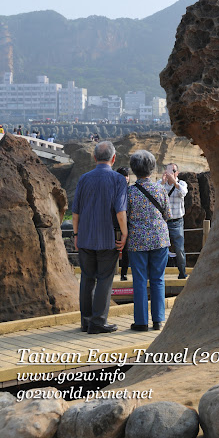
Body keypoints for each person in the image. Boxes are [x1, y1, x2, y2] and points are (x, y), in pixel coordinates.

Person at [72, 141, 128, 334]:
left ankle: (86, 321)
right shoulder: (118, 180)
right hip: (107, 238)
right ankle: (98, 322)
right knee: (105, 279)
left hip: (86, 236)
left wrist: (76, 235)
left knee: (86, 279)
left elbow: (76, 212)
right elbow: (121, 212)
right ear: (113, 159)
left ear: (95, 158)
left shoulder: (83, 179)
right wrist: (125, 232)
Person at [127, 150, 171, 331]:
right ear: (152, 169)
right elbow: (168, 214)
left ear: (133, 169)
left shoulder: (129, 192)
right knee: (158, 279)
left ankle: (141, 322)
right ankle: (158, 320)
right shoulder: (160, 189)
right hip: (160, 238)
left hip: (137, 240)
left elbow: (125, 216)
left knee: (139, 280)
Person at [161, 163, 188, 279]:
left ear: (177, 172)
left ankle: (182, 272)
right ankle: (159, 274)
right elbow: (153, 194)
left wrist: (175, 183)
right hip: (163, 221)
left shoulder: (181, 183)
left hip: (177, 221)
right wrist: (162, 182)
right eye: (168, 171)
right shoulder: (160, 184)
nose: (171, 173)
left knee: (179, 249)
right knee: (160, 249)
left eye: (173, 171)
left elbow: (183, 193)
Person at [116, 166, 131, 280]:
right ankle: (114, 272)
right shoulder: (114, 190)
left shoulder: (131, 190)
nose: (125, 178)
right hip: (116, 223)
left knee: (126, 250)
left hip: (128, 223)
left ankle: (123, 273)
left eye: (127, 175)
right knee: (113, 249)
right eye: (123, 176)